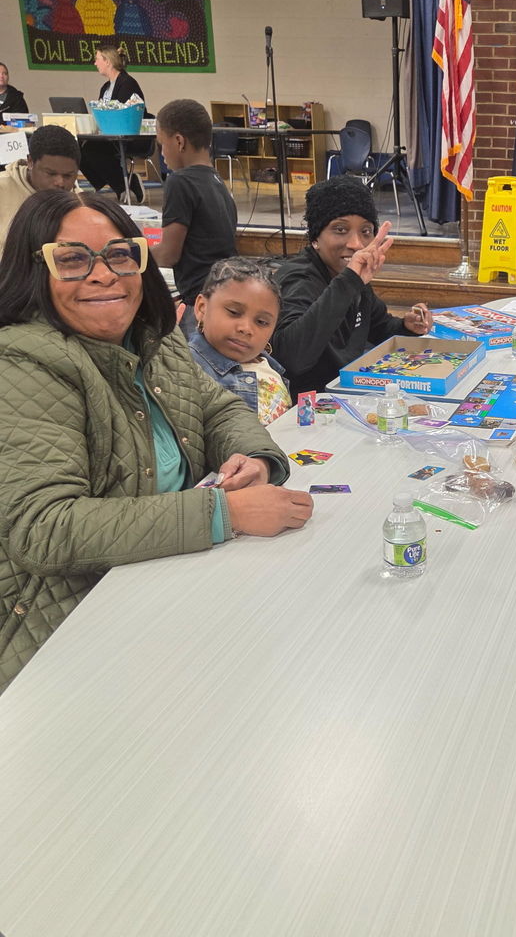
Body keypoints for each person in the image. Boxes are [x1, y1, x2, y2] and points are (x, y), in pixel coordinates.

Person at [0, 188, 314, 693]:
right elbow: (44, 528)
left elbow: (218, 408)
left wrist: (253, 456)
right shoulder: (24, 364)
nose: (104, 274)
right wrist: (223, 513)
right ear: (35, 271)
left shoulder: (154, 335)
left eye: (120, 255)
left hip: (164, 586)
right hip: (62, 631)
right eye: (73, 260)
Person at [272, 177, 433, 397]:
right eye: (340, 229)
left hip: (348, 391)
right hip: (309, 407)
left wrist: (406, 326)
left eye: (366, 232)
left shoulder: (352, 277)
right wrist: (349, 281)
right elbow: (292, 358)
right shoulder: (298, 280)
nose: (356, 244)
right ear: (315, 238)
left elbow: (377, 326)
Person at [151, 98, 238, 336]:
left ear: (179, 141)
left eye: (161, 144)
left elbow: (169, 254)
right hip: (223, 291)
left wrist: (132, 251)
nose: (162, 153)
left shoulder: (180, 181)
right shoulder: (216, 180)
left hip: (200, 303)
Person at [190, 257, 291, 425]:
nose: (246, 328)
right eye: (234, 312)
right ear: (202, 307)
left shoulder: (268, 365)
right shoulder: (190, 370)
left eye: (261, 322)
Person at [78, 43, 147, 202]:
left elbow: (124, 112)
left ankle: (124, 184)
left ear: (107, 61)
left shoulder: (127, 83)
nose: (95, 63)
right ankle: (120, 184)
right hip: (109, 135)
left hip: (129, 134)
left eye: (97, 59)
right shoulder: (105, 88)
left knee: (92, 149)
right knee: (78, 149)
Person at [0, 124, 81, 249]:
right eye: (51, 173)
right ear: (30, 162)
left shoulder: (79, 200)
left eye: (68, 176)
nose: (60, 182)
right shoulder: (3, 189)